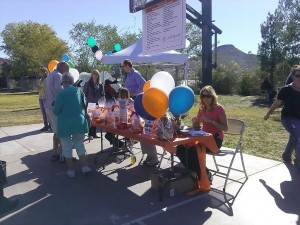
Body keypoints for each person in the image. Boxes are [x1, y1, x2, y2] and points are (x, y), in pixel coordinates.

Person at [176, 85, 228, 182]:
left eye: (208, 96)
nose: (205, 99)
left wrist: (211, 121)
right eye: (203, 96)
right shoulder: (202, 108)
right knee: (180, 149)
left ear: (213, 97)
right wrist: (195, 122)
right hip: (202, 138)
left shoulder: (219, 108)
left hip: (215, 140)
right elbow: (197, 127)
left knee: (192, 151)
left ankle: (202, 174)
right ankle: (202, 172)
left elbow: (225, 128)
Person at [53, 73, 92, 178]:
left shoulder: (60, 94)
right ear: (72, 81)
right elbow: (84, 105)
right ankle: (84, 167)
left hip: (65, 124)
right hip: (79, 122)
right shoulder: (79, 92)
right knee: (79, 144)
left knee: (66, 147)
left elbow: (56, 111)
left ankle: (71, 170)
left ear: (64, 82)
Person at [122, 59, 158, 166]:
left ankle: (154, 156)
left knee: (145, 129)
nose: (122, 68)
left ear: (127, 65)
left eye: (123, 66)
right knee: (140, 130)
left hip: (139, 102)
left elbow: (143, 84)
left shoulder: (135, 73)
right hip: (132, 102)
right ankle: (149, 155)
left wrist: (134, 93)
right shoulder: (129, 75)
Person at [264, 66, 300, 169]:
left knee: (295, 137)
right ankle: (298, 162)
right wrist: (268, 114)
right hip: (288, 118)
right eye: (297, 75)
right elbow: (276, 104)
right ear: (293, 76)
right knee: (298, 138)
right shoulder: (286, 89)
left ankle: (286, 156)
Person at [45, 61, 69, 162]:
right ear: (62, 68)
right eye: (67, 69)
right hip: (55, 107)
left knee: (56, 132)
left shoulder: (51, 75)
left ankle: (55, 153)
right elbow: (59, 91)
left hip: (49, 106)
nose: (67, 71)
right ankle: (64, 155)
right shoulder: (58, 75)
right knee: (61, 132)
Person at [83, 69, 104, 140]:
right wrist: (84, 104)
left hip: (97, 104)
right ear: (91, 75)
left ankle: (94, 133)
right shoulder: (87, 84)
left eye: (97, 74)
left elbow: (102, 95)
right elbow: (84, 94)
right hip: (90, 103)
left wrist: (102, 104)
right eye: (94, 74)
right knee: (90, 119)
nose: (95, 75)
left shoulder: (100, 85)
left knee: (96, 119)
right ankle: (89, 134)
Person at [38, 67, 51, 132]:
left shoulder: (47, 79)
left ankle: (50, 126)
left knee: (47, 113)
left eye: (41, 72)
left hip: (46, 98)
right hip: (40, 97)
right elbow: (40, 88)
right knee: (43, 113)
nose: (40, 73)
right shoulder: (40, 80)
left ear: (45, 72)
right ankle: (45, 126)